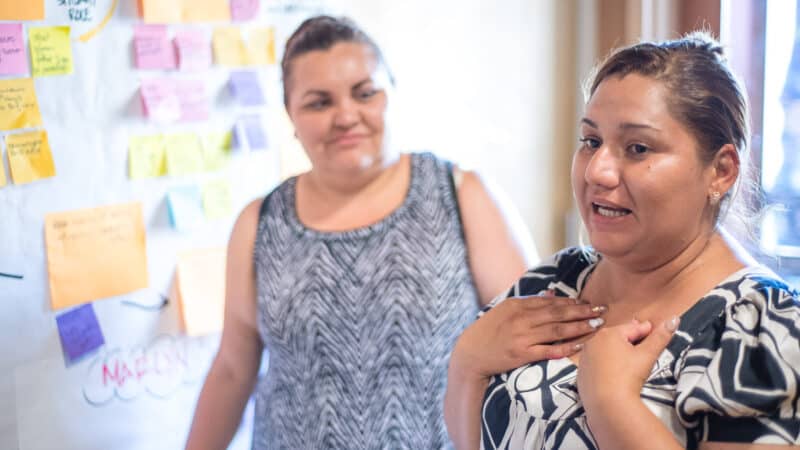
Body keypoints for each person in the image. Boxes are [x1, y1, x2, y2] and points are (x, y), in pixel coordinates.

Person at [185, 16, 606, 449]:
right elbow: (232, 370)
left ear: (392, 92)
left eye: (365, 93)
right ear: (290, 116)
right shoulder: (259, 222)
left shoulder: (461, 195)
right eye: (319, 103)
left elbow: (531, 340)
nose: (345, 116)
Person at [445, 32, 800, 450]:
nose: (597, 171)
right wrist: (467, 364)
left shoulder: (761, 328)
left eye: (637, 148)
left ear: (721, 171)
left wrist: (612, 403)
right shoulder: (556, 279)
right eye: (591, 141)